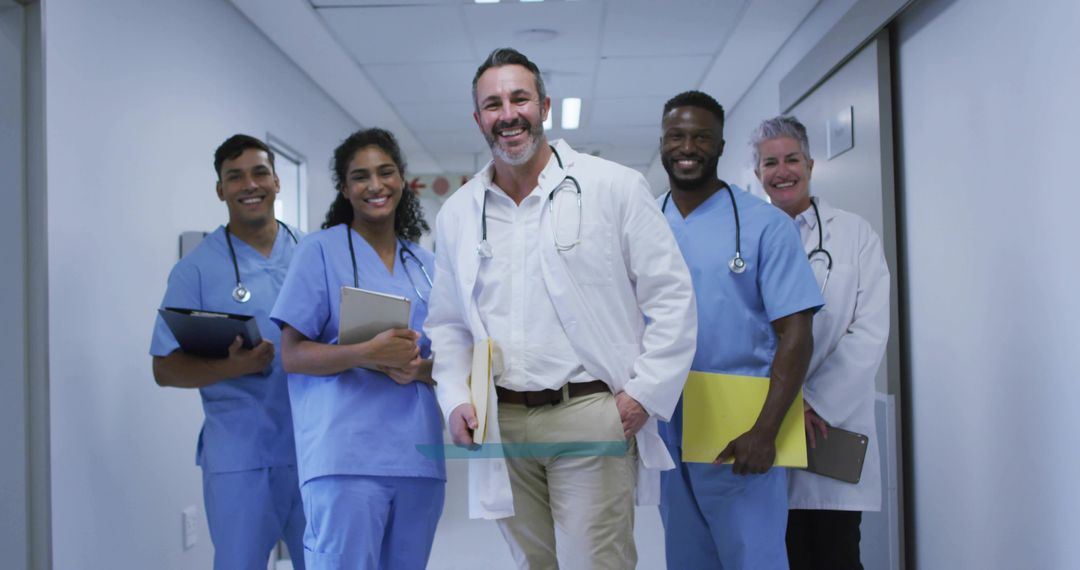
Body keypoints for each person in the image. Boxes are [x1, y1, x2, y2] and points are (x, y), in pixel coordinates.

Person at [425, 47, 697, 569]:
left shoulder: (613, 186)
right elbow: (448, 322)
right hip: (503, 421)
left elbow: (672, 297)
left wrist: (643, 395)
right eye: (493, 104)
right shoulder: (459, 213)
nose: (508, 114)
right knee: (535, 563)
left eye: (520, 98)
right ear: (478, 119)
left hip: (589, 411)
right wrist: (456, 397)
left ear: (544, 106)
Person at [656, 91, 824, 569]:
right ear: (662, 142)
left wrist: (765, 430)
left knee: (753, 557)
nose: (688, 147)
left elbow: (797, 333)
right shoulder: (643, 222)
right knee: (686, 558)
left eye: (701, 137)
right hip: (665, 423)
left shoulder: (765, 226)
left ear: (721, 145)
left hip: (740, 423)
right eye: (676, 136)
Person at [269, 128, 445, 570]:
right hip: (345, 458)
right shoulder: (319, 251)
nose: (375, 185)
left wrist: (420, 369)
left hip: (418, 458)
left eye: (386, 172)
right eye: (360, 176)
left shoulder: (425, 265)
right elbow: (292, 354)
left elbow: (451, 358)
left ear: (402, 179)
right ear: (345, 189)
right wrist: (366, 353)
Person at [149, 134, 306, 570]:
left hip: (312, 447)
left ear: (276, 181)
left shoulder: (311, 253)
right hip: (241, 455)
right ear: (220, 190)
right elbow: (164, 368)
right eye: (235, 177)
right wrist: (230, 367)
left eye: (259, 173)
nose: (249, 184)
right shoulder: (196, 269)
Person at [752, 115, 890, 570]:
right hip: (764, 421)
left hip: (832, 422)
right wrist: (781, 405)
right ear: (757, 173)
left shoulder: (855, 235)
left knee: (836, 552)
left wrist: (812, 402)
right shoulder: (747, 237)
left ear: (810, 165)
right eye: (770, 163)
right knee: (777, 553)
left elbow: (868, 332)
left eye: (792, 159)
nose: (782, 171)